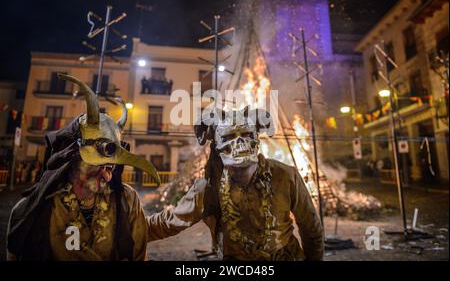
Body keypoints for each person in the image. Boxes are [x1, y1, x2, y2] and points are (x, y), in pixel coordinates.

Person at [6, 74, 161, 261]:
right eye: (98, 165)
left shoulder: (127, 200)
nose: (107, 176)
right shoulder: (30, 210)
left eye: (110, 168)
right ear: (72, 158)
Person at [148, 107, 324, 260]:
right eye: (229, 137)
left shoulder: (285, 176)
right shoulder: (208, 189)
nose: (239, 142)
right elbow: (169, 222)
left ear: (257, 140)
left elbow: (311, 228)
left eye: (247, 135)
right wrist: (127, 225)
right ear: (217, 146)